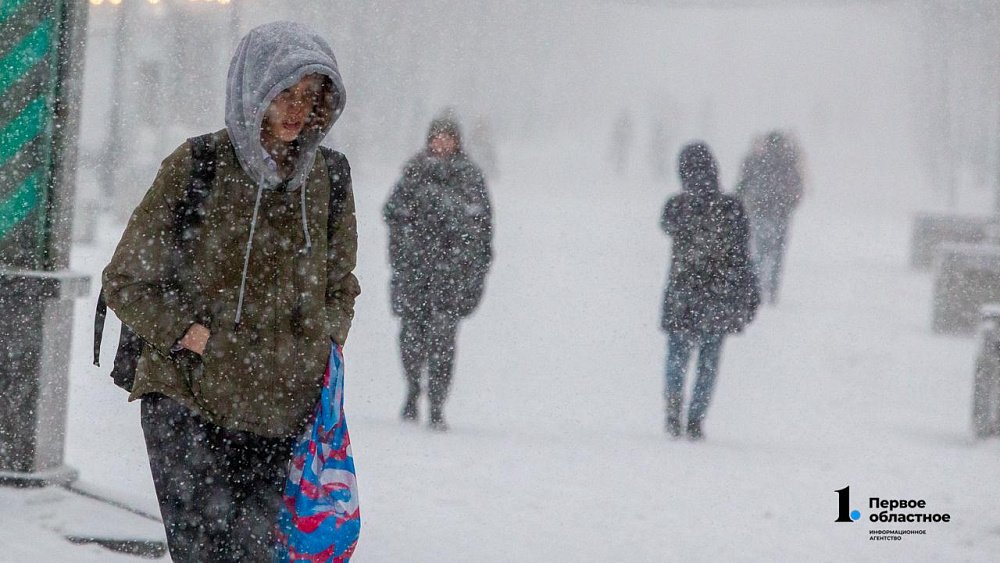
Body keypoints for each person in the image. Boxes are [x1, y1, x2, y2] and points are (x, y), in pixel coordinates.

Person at [102, 22, 359, 561]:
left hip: (282, 405)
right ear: (254, 88)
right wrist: (189, 334)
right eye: (284, 93)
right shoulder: (199, 165)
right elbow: (125, 278)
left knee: (254, 552)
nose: (296, 109)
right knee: (204, 553)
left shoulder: (330, 177)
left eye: (309, 96)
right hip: (189, 398)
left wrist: (325, 344)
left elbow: (341, 282)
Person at [383, 111, 493, 431]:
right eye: (437, 137)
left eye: (448, 137)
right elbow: (393, 213)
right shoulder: (414, 172)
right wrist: (405, 254)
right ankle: (413, 388)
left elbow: (482, 229)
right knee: (411, 338)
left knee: (443, 341)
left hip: (450, 277)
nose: (442, 143)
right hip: (415, 273)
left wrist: (473, 272)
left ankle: (437, 402)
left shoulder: (469, 178)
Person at [660, 142, 758, 440]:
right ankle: (696, 417)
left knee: (678, 353)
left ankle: (673, 405)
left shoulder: (677, 207)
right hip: (719, 294)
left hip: (683, 291)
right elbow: (742, 254)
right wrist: (750, 290)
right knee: (709, 359)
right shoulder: (732, 208)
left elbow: (666, 225)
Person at [735, 130, 804, 304]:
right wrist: (788, 206)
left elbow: (742, 186)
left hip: (759, 212)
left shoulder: (756, 161)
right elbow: (797, 190)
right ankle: (772, 289)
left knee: (760, 251)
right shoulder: (788, 162)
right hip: (781, 214)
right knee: (777, 253)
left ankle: (758, 287)